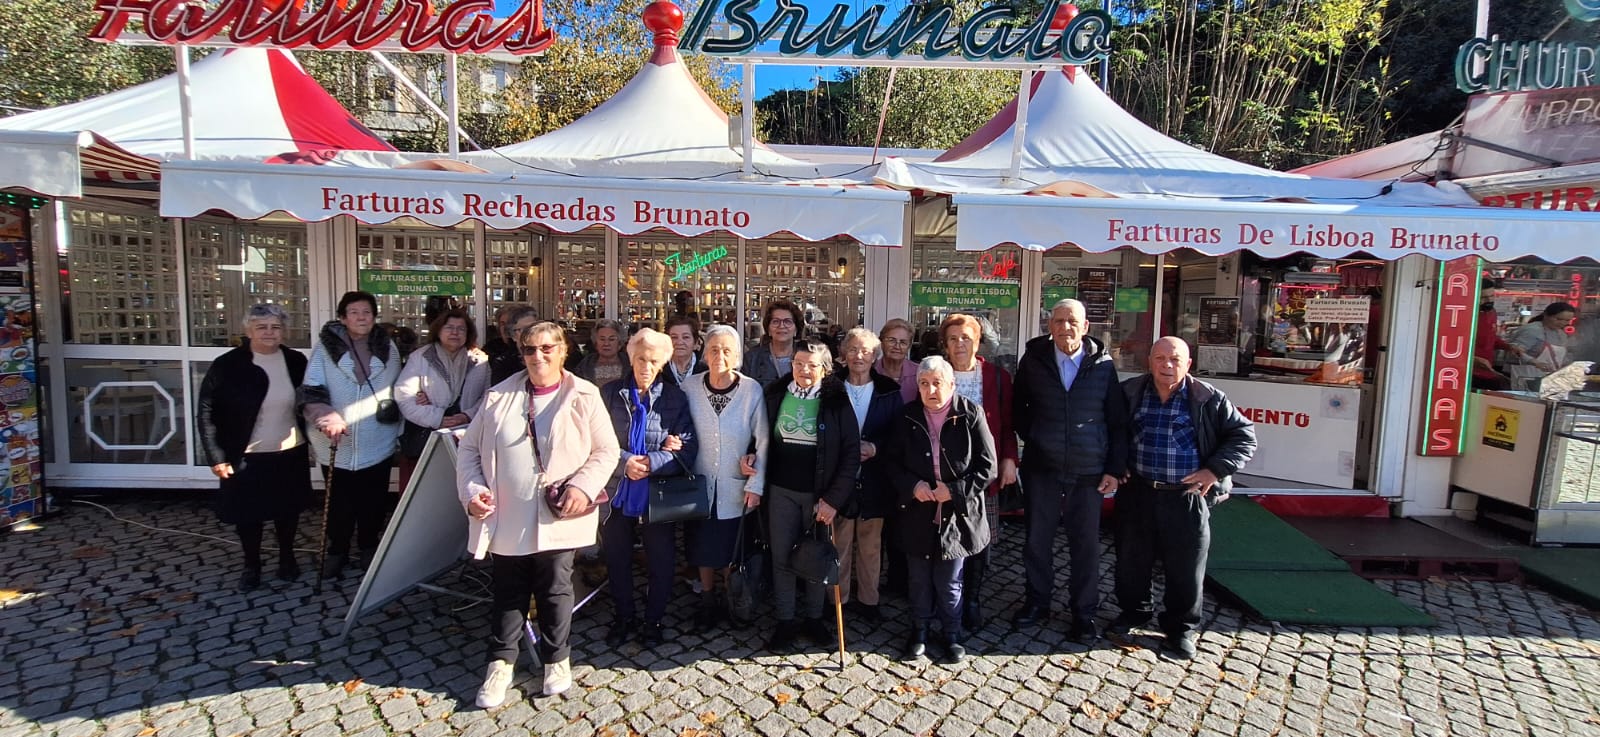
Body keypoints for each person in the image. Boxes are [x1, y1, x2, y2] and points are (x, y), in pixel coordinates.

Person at [457, 321, 619, 707]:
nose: (538, 356)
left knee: (555, 587)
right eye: (530, 349)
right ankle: (501, 663)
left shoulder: (584, 393)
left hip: (559, 510)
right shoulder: (498, 395)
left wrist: (582, 486)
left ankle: (556, 659)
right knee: (509, 590)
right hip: (508, 511)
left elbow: (606, 450)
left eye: (547, 348)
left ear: (563, 351)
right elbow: (468, 452)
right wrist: (473, 491)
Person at [1114, 337, 1256, 660]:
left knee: (1186, 568)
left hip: (1185, 496)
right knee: (1131, 560)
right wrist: (1116, 463)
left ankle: (1181, 629)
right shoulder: (1130, 393)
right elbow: (1112, 431)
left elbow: (1244, 437)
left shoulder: (1207, 398)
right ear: (1149, 361)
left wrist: (1214, 470)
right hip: (1137, 491)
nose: (1167, 365)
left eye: (1175, 359)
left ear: (1188, 364)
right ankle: (1134, 613)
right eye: (1160, 358)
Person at [1010, 299, 1130, 644]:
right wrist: (1035, 435)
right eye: (1059, 321)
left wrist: (1114, 468)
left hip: (1089, 470)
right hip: (1042, 466)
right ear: (1049, 325)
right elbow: (1020, 408)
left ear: (1086, 326)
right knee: (1036, 541)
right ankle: (1037, 603)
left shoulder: (1104, 365)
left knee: (1085, 546)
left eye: (1072, 321)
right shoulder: (1033, 361)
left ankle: (1084, 613)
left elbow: (1117, 421)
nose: (1065, 327)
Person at [883, 357, 996, 664]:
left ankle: (952, 633)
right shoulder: (907, 416)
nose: (931, 389)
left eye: (937, 383)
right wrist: (912, 486)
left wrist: (955, 490)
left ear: (951, 385)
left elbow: (988, 468)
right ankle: (918, 631)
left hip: (957, 513)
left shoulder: (971, 414)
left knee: (950, 580)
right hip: (918, 510)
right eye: (924, 383)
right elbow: (891, 462)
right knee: (918, 578)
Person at [196, 304, 311, 591]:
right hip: (245, 452)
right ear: (248, 331)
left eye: (275, 327)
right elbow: (206, 410)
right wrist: (216, 456)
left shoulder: (295, 360)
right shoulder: (228, 364)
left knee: (287, 510)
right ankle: (252, 565)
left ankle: (287, 558)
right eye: (262, 327)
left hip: (289, 449)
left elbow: (311, 397)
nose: (269, 332)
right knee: (249, 514)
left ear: (284, 330)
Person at [601, 328, 699, 649]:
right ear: (630, 358)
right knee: (617, 558)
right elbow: (594, 443)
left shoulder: (675, 398)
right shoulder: (609, 394)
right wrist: (625, 461)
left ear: (662, 364)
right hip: (617, 491)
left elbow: (687, 449)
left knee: (661, 561)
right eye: (641, 358)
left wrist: (654, 462)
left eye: (654, 361)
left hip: (658, 493)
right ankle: (623, 616)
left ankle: (653, 619)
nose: (646, 366)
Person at [762, 339, 859, 653]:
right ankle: (785, 620)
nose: (804, 370)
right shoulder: (776, 394)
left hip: (820, 496)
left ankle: (814, 619)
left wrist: (833, 499)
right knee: (781, 558)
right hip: (780, 491)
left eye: (812, 365)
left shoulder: (837, 401)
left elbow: (851, 453)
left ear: (825, 369)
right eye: (798, 363)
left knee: (816, 558)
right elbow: (760, 438)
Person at [300, 291, 403, 578]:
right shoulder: (324, 348)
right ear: (343, 318)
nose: (361, 317)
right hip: (335, 439)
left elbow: (398, 386)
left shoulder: (388, 347)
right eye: (354, 312)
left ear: (374, 317)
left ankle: (369, 547)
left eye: (367, 312)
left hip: (376, 438)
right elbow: (311, 389)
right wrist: (325, 415)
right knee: (338, 502)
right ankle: (338, 550)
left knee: (373, 500)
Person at [681, 324, 769, 631]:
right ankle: (707, 600)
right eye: (714, 349)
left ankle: (735, 598)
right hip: (698, 483)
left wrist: (756, 483)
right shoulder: (689, 387)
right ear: (704, 353)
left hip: (735, 484)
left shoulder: (751, 390)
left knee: (734, 547)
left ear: (738, 355)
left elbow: (763, 441)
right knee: (702, 546)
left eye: (727, 350)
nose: (720, 355)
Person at [939, 313, 1018, 632]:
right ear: (945, 345)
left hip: (984, 473)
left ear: (978, 340)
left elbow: (1010, 424)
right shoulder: (937, 373)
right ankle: (945, 598)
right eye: (954, 338)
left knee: (979, 542)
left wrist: (1010, 459)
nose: (960, 343)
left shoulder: (997, 377)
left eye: (966, 337)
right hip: (943, 471)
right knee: (944, 539)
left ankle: (971, 600)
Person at [834, 327, 903, 622]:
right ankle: (838, 600)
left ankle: (869, 600)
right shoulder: (831, 387)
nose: (858, 356)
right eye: (852, 350)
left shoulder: (889, 390)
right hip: (839, 479)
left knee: (871, 545)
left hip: (876, 478)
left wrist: (876, 448)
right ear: (843, 354)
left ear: (874, 356)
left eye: (865, 351)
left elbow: (900, 435)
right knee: (839, 543)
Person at [395, 308, 490, 490]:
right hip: (428, 437)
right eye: (449, 327)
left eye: (461, 329)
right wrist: (437, 418)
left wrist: (466, 416)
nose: (455, 332)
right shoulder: (421, 358)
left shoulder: (480, 361)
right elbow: (404, 396)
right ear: (438, 330)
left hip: (466, 436)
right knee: (426, 491)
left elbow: (487, 396)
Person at [745, 299, 804, 387]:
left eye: (788, 321)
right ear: (768, 329)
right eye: (775, 321)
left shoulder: (808, 358)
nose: (781, 326)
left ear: (796, 329)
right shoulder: (752, 358)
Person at [1509, 302, 1577, 377]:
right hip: (1525, 375)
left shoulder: (1561, 334)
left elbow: (1563, 358)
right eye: (1559, 319)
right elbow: (1514, 351)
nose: (1563, 323)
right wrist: (1535, 362)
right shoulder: (1532, 330)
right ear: (1546, 315)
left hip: (1549, 377)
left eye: (1567, 320)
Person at [488, 306, 539, 384]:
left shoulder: (549, 354)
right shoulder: (503, 363)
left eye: (533, 328)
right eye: (524, 329)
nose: (530, 332)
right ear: (513, 335)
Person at [875, 318, 919, 405]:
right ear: (881, 342)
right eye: (892, 340)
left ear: (909, 346)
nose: (897, 346)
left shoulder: (919, 373)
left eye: (903, 342)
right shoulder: (870, 372)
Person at [573, 319, 628, 387]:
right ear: (596, 343)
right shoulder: (585, 365)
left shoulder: (630, 365)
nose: (606, 343)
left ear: (619, 343)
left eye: (611, 339)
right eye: (602, 339)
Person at [663, 315, 708, 387]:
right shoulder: (658, 371)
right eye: (674, 337)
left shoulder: (706, 372)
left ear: (696, 343)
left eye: (686, 337)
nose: (679, 342)